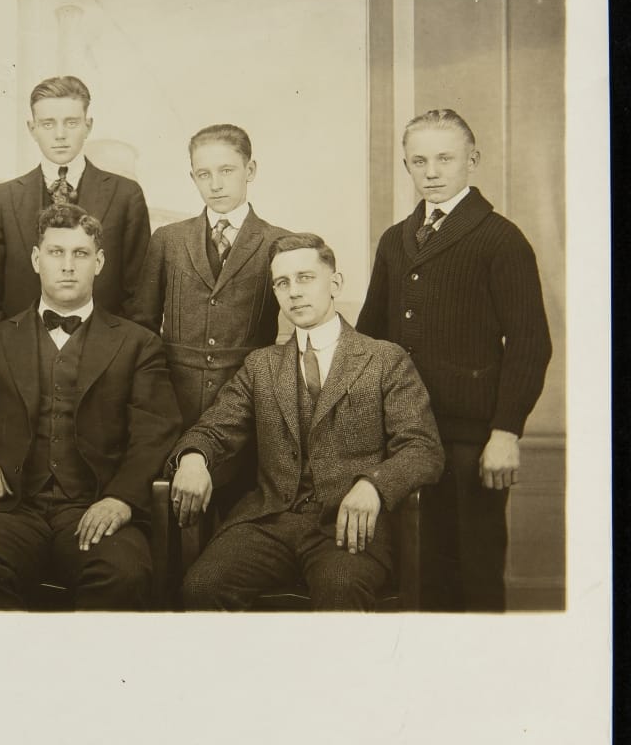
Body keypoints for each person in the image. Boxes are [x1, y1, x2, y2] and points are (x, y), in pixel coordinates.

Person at [170, 233, 443, 611]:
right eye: (282, 283)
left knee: (340, 588)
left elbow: (423, 448)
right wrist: (194, 457)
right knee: (201, 587)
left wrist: (374, 486)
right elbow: (215, 427)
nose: (293, 292)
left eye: (305, 278)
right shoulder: (261, 365)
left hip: (346, 526)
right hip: (269, 521)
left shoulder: (384, 359)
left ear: (335, 283)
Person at [355, 108, 552, 612]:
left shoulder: (500, 239)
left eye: (445, 159)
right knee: (416, 574)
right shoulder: (395, 240)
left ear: (472, 161)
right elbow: (369, 339)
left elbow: (531, 344)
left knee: (474, 572)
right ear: (406, 165)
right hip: (401, 437)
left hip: (472, 440)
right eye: (418, 161)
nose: (432, 172)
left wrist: (506, 431)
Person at [0, 203, 182, 610]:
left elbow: (154, 433)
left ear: (99, 262)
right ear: (37, 260)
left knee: (123, 575)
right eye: (56, 253)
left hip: (96, 503)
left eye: (80, 254)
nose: (68, 266)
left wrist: (121, 499)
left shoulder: (137, 344)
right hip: (9, 509)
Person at [129, 123, 288, 509]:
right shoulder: (168, 240)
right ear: (192, 177)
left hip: (246, 407)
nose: (215, 184)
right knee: (169, 511)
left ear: (250, 170)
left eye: (227, 171)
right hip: (173, 404)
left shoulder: (278, 243)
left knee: (234, 510)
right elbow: (142, 327)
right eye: (204, 174)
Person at [0, 75, 150, 330]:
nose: (60, 135)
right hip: (18, 357)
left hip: (105, 358)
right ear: (32, 129)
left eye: (72, 123)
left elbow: (140, 297)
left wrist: (118, 356)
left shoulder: (126, 196)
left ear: (88, 125)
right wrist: (6, 356)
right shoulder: (3, 199)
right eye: (48, 124)